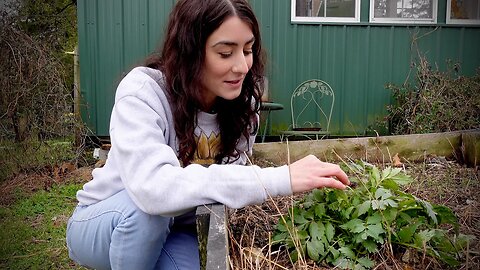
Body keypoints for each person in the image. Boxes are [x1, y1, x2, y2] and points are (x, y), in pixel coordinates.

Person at [66, 0, 350, 269]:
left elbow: (221, 193)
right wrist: (278, 178)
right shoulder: (143, 92)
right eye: (225, 53)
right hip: (105, 221)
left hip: (179, 228)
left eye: (248, 50)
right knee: (146, 214)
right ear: (190, 51)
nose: (241, 66)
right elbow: (152, 190)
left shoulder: (244, 106)